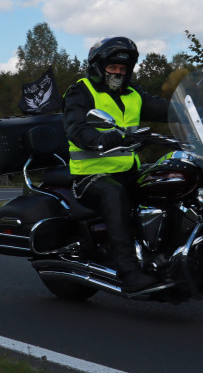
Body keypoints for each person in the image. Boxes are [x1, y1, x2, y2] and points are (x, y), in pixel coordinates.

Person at [63, 36, 170, 292]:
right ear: (100, 67)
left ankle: (167, 257)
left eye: (123, 68)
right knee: (114, 193)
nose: (118, 73)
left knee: (169, 180)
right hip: (91, 176)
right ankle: (129, 273)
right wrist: (106, 137)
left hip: (128, 171)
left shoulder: (134, 94)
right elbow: (76, 130)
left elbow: (166, 109)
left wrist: (200, 112)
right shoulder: (81, 91)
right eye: (113, 67)